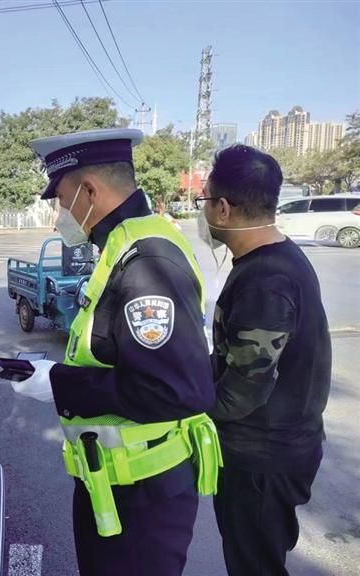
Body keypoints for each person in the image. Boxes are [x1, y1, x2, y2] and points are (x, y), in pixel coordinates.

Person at [11, 128, 220, 576]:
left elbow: (176, 390)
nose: (59, 216)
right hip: (117, 483)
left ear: (89, 191)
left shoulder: (146, 261)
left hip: (143, 496)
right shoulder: (123, 244)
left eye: (61, 200)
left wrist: (58, 384)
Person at [197, 145, 331, 575]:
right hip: (279, 449)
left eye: (203, 201)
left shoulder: (265, 281)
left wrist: (185, 412)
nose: (202, 212)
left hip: (262, 459)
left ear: (222, 208)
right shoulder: (278, 256)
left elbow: (242, 392)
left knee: (254, 565)